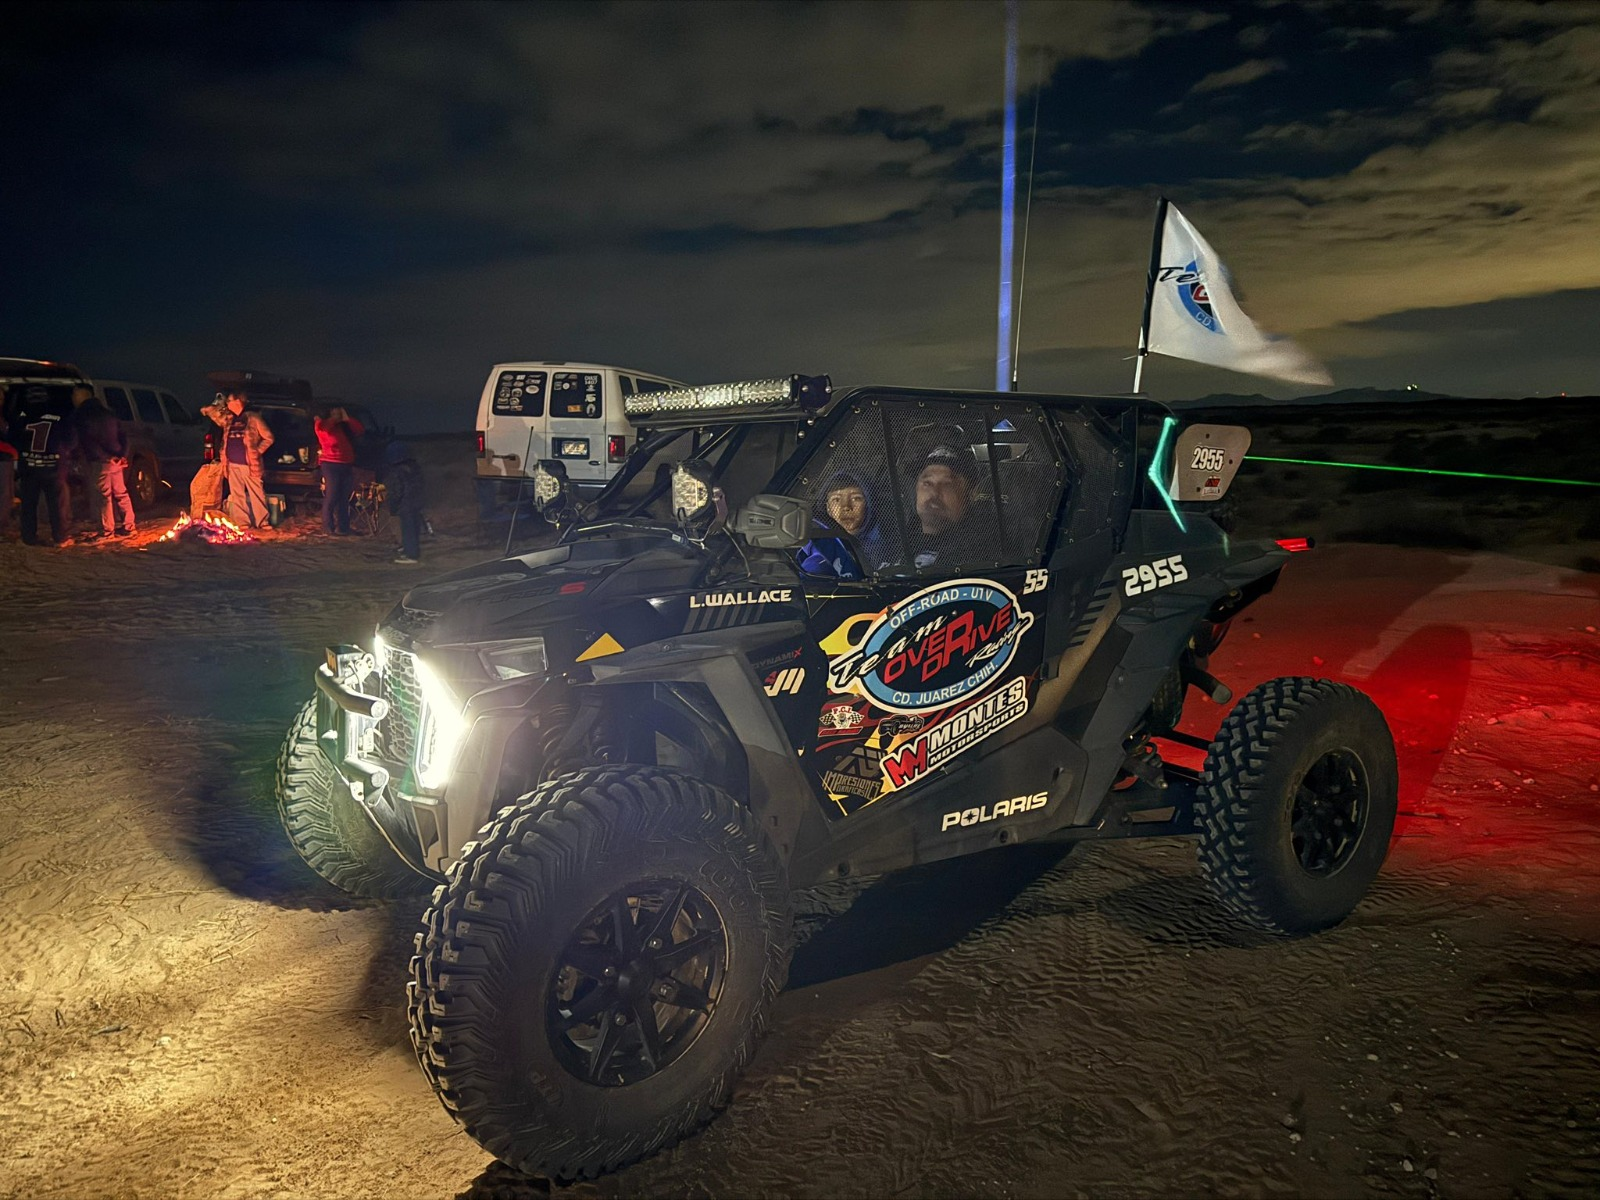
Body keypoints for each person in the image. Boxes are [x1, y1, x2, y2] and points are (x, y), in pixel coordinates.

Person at [903, 441, 997, 570]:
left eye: (947, 484)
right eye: (927, 483)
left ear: (970, 493)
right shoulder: (897, 538)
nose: (934, 492)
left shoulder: (982, 551)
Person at [11, 383, 78, 546]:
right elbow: (70, 440)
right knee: (57, 505)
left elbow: (13, 439)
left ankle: (28, 537)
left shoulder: (21, 418)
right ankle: (60, 537)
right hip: (53, 468)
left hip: (28, 468)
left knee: (28, 504)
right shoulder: (58, 417)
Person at [797, 469, 895, 579]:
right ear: (828, 508)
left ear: (869, 503)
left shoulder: (894, 545)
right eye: (836, 500)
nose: (846, 507)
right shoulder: (821, 550)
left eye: (856, 498)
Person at [202, 392, 274, 529]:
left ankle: (263, 522)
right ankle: (242, 523)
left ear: (238, 401)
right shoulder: (229, 419)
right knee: (237, 495)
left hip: (250, 464)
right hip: (232, 464)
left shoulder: (253, 418)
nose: (228, 403)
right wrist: (210, 409)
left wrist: (257, 451)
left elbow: (269, 438)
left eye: (230, 401)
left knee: (257, 493)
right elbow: (216, 417)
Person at [72, 387, 136, 538]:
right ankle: (129, 526)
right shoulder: (109, 413)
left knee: (102, 496)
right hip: (117, 460)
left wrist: (104, 457)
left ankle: (106, 532)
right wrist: (122, 455)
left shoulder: (83, 415)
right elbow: (124, 436)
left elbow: (87, 440)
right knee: (121, 493)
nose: (73, 398)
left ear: (82, 396)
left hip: (100, 461)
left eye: (74, 395)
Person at [314, 404, 364, 535]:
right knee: (332, 496)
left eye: (339, 412)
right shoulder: (321, 424)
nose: (338, 415)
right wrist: (334, 419)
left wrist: (347, 419)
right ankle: (328, 527)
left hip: (346, 463)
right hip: (331, 464)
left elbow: (359, 430)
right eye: (335, 412)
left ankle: (343, 527)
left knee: (344, 498)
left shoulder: (342, 426)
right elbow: (324, 430)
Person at [384, 440, 426, 564]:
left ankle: (411, 555)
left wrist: (392, 507)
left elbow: (396, 491)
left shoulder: (396, 471)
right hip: (417, 502)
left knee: (408, 529)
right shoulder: (414, 467)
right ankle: (412, 550)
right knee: (414, 528)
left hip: (405, 504)